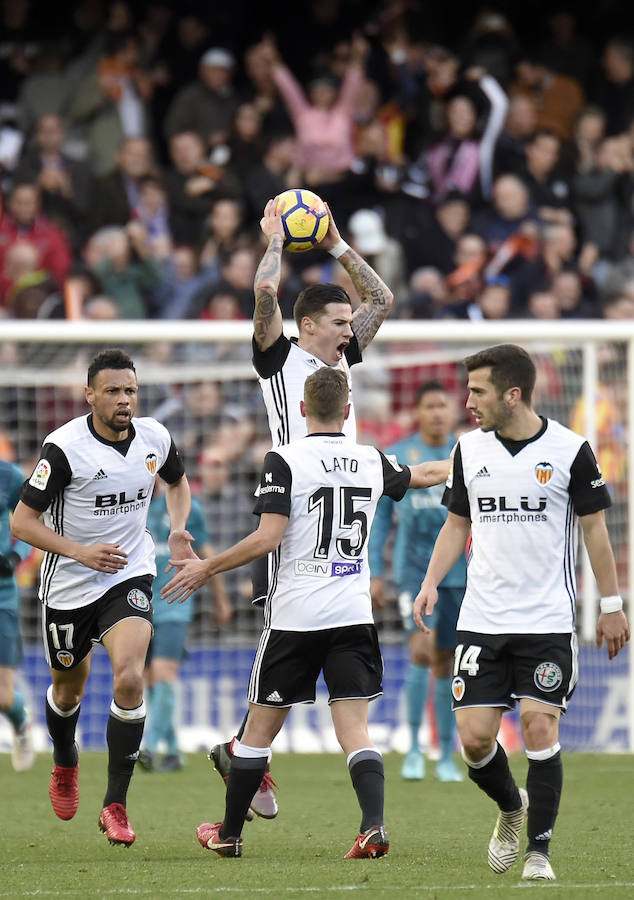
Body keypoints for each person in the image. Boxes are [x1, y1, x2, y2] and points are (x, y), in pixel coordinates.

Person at [162, 366, 450, 859]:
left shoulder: (284, 459)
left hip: (295, 616)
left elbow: (268, 537)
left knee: (257, 732)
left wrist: (208, 567)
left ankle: (229, 835)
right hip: (352, 615)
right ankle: (372, 827)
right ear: (348, 411)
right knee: (355, 729)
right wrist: (468, 459)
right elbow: (423, 475)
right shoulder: (369, 458)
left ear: (299, 410)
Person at [208, 192, 398, 818]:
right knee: (282, 656)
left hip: (340, 504)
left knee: (292, 663)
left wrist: (337, 241)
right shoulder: (279, 358)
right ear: (309, 325)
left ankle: (241, 752)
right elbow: (265, 299)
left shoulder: (342, 363)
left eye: (350, 324)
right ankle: (246, 758)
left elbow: (382, 301)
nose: (350, 331)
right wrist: (275, 240)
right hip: (288, 511)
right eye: (339, 324)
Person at [413, 344, 630, 882]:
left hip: (546, 621)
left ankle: (538, 853)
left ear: (513, 394)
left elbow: (595, 531)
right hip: (482, 620)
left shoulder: (571, 450)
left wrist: (611, 604)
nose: (468, 402)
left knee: (537, 725)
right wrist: (430, 582)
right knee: (476, 740)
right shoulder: (469, 451)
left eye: (478, 391)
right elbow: (457, 524)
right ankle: (512, 808)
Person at [11, 348, 194, 847]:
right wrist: (79, 552)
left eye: (130, 390)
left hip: (128, 574)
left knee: (131, 678)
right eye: (112, 390)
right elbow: (21, 522)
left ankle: (115, 804)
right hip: (69, 583)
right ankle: (65, 761)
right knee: (68, 691)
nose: (123, 399)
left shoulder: (155, 437)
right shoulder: (64, 449)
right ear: (89, 394)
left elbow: (178, 483)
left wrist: (177, 529)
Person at [369, 381, 465, 783]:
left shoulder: (466, 453)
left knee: (446, 660)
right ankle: (411, 748)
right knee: (422, 652)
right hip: (412, 571)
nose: (438, 412)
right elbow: (381, 521)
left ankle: (444, 754)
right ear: (419, 413)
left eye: (444, 405)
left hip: (458, 574)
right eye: (431, 406)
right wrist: (375, 571)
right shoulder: (403, 457)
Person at [139, 480, 232, 773]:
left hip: (174, 604)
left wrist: (221, 600)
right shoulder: (132, 505)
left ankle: (150, 747)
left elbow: (205, 553)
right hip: (138, 603)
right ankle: (175, 750)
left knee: (164, 674)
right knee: (148, 679)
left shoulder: (189, 508)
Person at [0, 459, 35, 772]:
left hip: (2, 596)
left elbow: (31, 521)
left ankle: (21, 722)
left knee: (2, 694)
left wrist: (14, 555)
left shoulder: (8, 476)